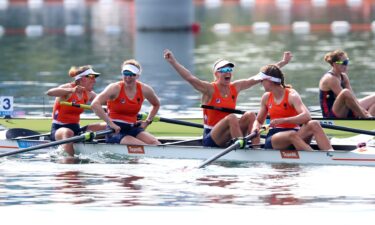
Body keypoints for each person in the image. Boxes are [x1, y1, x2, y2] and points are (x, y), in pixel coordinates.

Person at [164, 49, 292, 148]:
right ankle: (240, 148)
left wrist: (282, 63)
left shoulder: (235, 87)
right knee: (231, 118)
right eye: (224, 70)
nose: (228, 72)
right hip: (212, 137)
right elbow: (190, 78)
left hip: (228, 134)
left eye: (230, 69)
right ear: (216, 74)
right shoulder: (209, 89)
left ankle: (256, 150)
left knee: (250, 115)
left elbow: (261, 76)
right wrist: (173, 62)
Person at [251, 64, 333, 151]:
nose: (261, 83)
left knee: (314, 123)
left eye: (262, 81)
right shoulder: (266, 97)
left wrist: (283, 120)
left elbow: (306, 116)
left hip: (296, 134)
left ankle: (331, 154)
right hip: (275, 138)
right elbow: (259, 121)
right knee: (291, 134)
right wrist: (255, 127)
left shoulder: (291, 95)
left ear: (270, 80)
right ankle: (316, 157)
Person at [91, 59, 161, 145]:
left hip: (132, 127)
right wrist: (111, 123)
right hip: (115, 130)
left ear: (138, 75)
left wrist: (147, 121)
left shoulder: (145, 89)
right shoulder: (115, 88)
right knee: (142, 146)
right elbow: (95, 104)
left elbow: (156, 104)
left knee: (155, 143)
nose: (128, 77)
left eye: (132, 74)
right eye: (126, 74)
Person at [46, 65, 106, 156]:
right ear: (82, 79)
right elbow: (50, 92)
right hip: (59, 130)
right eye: (92, 77)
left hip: (76, 129)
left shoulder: (89, 94)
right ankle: (70, 160)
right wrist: (72, 90)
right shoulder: (68, 88)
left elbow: (107, 103)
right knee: (68, 132)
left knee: (106, 126)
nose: (95, 80)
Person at [319, 50, 375, 118]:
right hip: (331, 115)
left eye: (347, 62)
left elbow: (353, 98)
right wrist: (364, 112)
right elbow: (347, 98)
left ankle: (371, 119)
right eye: (343, 63)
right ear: (334, 64)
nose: (345, 65)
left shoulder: (344, 76)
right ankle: (365, 118)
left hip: (346, 109)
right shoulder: (331, 79)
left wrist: (364, 110)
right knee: (345, 92)